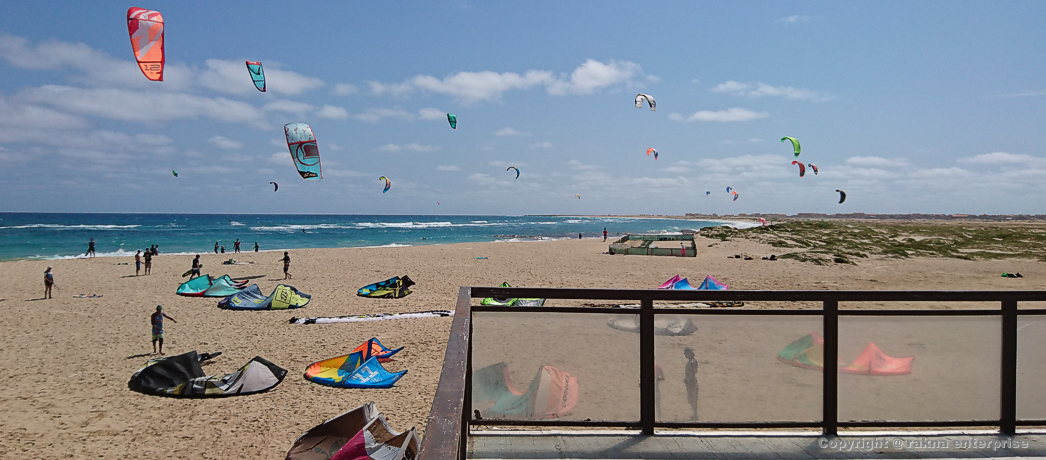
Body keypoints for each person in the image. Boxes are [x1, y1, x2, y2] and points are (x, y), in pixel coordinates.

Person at [684, 347, 699, 421]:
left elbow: (693, 372)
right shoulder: (691, 362)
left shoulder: (692, 362)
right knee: (691, 399)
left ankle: (695, 415)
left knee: (693, 398)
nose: (685, 355)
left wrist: (688, 379)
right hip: (689, 381)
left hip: (691, 382)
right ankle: (694, 414)